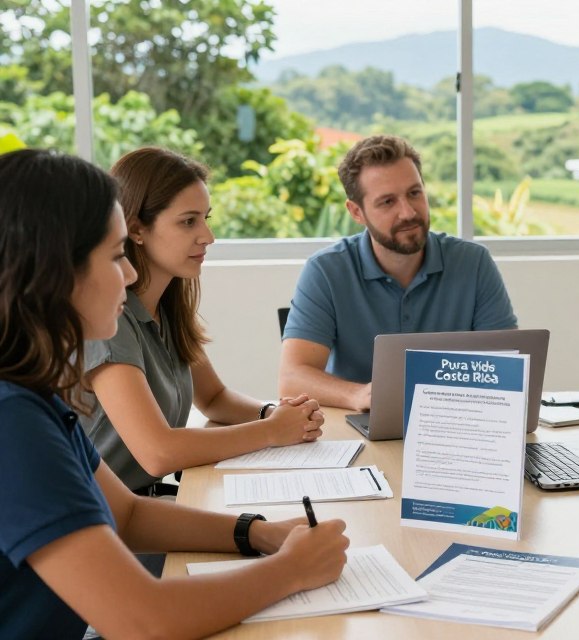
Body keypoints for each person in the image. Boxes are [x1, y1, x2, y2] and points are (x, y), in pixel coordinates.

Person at [0, 149, 349, 639]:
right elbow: (143, 620)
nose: (130, 274)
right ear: (57, 271)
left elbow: (128, 514)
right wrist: (292, 570)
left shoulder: (32, 396)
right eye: (116, 255)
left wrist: (258, 531)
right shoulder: (12, 420)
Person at [80, 147, 325, 495]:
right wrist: (272, 431)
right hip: (100, 521)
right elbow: (158, 452)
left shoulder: (167, 309)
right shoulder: (109, 321)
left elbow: (214, 398)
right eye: (188, 221)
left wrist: (276, 413)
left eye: (206, 218)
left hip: (143, 507)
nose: (208, 236)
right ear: (136, 229)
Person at [279, 134, 517, 410]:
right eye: (388, 202)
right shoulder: (326, 271)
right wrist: (358, 395)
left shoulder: (473, 262)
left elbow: (507, 368)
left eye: (415, 193)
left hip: (455, 425)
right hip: (360, 430)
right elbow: (292, 378)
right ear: (356, 212)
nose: (408, 212)